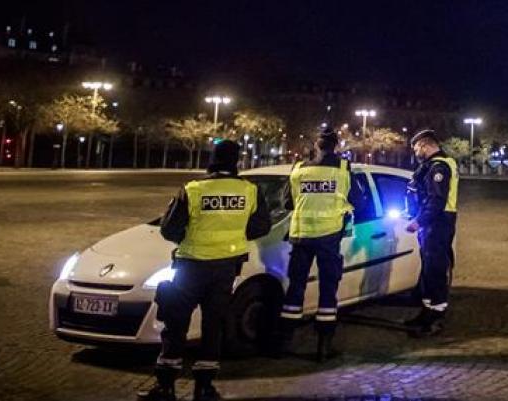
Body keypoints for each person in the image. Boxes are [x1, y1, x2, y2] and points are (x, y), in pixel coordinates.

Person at [139, 139, 271, 401]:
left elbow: (169, 229)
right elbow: (262, 226)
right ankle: (205, 388)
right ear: (236, 161)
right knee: (214, 326)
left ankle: (165, 387)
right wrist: (234, 236)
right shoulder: (250, 190)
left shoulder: (194, 189)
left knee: (176, 323)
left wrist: (190, 239)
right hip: (226, 269)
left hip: (190, 266)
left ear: (213, 159)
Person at [274, 128, 360, 361]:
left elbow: (287, 202)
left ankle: (284, 342)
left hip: (301, 236)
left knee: (295, 287)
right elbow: (357, 200)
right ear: (336, 146)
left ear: (316, 146)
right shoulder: (343, 169)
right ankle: (323, 346)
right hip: (329, 236)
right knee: (328, 289)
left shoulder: (299, 169)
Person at [403, 128, 459, 337]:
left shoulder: (439, 168)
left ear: (425, 145)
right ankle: (426, 312)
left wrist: (418, 222)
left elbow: (436, 200)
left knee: (435, 270)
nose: (415, 152)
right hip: (433, 223)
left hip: (438, 223)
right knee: (428, 270)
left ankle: (436, 317)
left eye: (416, 148)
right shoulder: (434, 165)